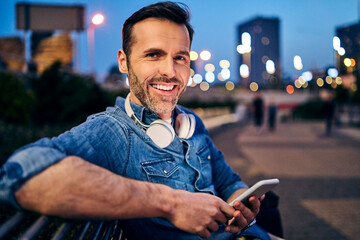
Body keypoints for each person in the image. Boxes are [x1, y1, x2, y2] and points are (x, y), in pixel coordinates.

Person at [0, 2, 274, 239]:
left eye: (180, 58)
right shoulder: (113, 132)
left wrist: (241, 203)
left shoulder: (191, 122)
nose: (170, 71)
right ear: (124, 62)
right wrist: (172, 204)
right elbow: (19, 174)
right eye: (153, 55)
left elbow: (228, 182)